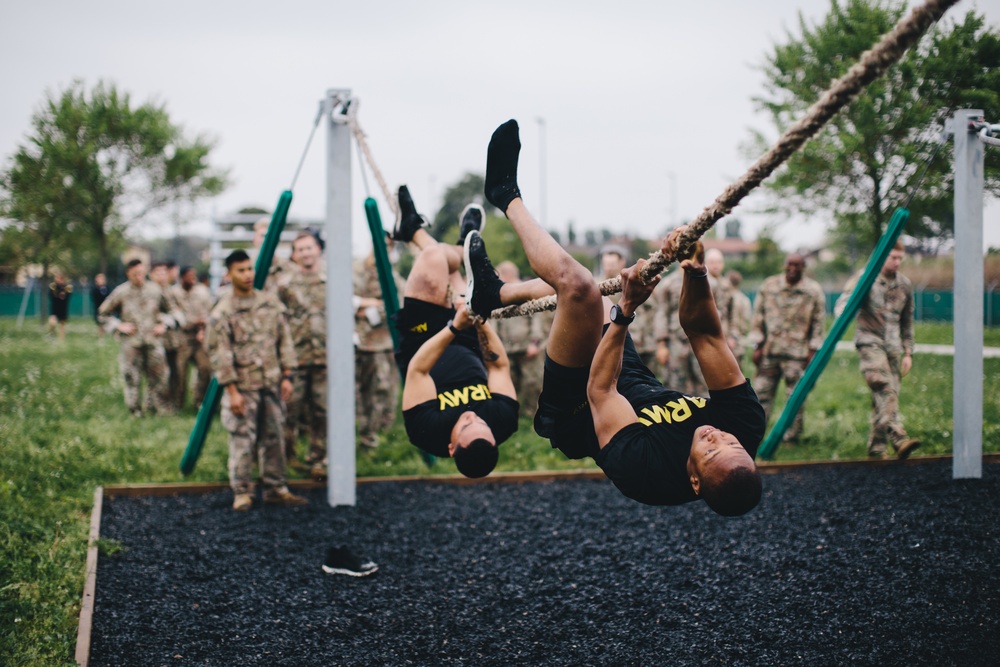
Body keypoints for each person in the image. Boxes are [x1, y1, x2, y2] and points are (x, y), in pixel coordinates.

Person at [466, 119, 764, 515]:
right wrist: (695, 270)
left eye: (710, 452)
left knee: (577, 286)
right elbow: (706, 336)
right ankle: (496, 292)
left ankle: (504, 195)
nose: (716, 437)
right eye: (730, 444)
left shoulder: (646, 474)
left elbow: (600, 392)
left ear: (694, 480)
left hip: (578, 409)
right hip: (630, 374)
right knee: (590, 292)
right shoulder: (743, 425)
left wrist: (626, 311)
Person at [391, 185, 518, 478]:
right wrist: (477, 318)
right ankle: (452, 246)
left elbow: (418, 371)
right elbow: (498, 364)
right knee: (466, 285)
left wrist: (452, 327)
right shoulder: (502, 421)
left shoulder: (427, 432)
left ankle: (432, 238)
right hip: (469, 339)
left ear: (451, 447)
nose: (473, 416)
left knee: (435, 257)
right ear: (493, 436)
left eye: (464, 425)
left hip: (423, 341)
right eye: (481, 425)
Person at [208, 249, 307, 511]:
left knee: (275, 436)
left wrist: (288, 375)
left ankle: (276, 488)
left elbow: (284, 340)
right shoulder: (223, 312)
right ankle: (242, 491)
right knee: (242, 441)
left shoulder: (269, 303)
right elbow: (220, 355)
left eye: (250, 269)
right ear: (229, 274)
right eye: (241, 270)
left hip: (271, 383)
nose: (248, 274)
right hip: (243, 388)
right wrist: (232, 392)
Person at [835, 239, 920, 459]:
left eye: (900, 258)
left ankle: (877, 449)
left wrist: (908, 352)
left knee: (884, 399)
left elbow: (907, 321)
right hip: (869, 342)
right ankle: (899, 438)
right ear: (882, 256)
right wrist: (844, 314)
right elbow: (844, 304)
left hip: (893, 349)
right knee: (885, 388)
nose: (897, 262)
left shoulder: (904, 285)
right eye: (893, 257)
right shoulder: (865, 278)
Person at [748, 253, 825, 445]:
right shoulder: (769, 286)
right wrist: (757, 344)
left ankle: (791, 438)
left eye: (797, 265)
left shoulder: (813, 291)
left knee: (795, 398)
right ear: (784, 265)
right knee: (760, 396)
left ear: (803, 267)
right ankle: (756, 435)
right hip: (770, 352)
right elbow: (758, 317)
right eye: (790, 264)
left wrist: (813, 350)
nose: (793, 268)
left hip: (796, 355)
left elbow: (818, 322)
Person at [277, 230, 328, 477]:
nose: (306, 253)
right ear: (295, 255)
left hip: (325, 358)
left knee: (322, 411)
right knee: (289, 411)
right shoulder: (285, 285)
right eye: (300, 249)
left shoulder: (332, 280)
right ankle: (287, 458)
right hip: (295, 359)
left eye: (310, 247)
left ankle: (318, 459)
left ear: (318, 249)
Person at [97, 259, 176, 417]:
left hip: (153, 341)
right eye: (135, 274)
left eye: (141, 273)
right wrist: (118, 326)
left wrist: (164, 324)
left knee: (159, 376)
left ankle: (154, 407)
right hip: (131, 343)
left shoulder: (155, 290)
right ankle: (135, 410)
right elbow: (102, 314)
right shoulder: (122, 292)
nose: (139, 277)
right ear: (128, 274)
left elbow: (173, 311)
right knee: (131, 376)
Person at [354, 249, 403, 450]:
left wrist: (374, 307)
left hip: (388, 342)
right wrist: (366, 306)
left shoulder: (394, 278)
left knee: (385, 390)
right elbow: (349, 301)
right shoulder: (358, 275)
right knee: (367, 391)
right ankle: (364, 436)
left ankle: (379, 434)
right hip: (364, 343)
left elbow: (399, 304)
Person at [493, 260, 546, 419]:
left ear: (508, 274)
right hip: (508, 348)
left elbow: (536, 320)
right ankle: (513, 413)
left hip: (527, 346)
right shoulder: (501, 294)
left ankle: (532, 414)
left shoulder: (525, 292)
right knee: (511, 381)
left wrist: (534, 343)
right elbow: (495, 320)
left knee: (532, 382)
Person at [601, 245, 660, 374]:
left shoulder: (632, 283)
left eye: (612, 264)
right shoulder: (598, 288)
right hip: (614, 342)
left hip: (642, 342)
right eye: (606, 264)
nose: (608, 267)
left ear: (621, 263)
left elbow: (651, 309)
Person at [654, 268, 708, 397]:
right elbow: (662, 313)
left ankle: (707, 415)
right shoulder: (668, 283)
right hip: (676, 341)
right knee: (675, 383)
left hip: (701, 340)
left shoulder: (707, 281)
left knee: (705, 381)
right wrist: (662, 345)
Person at [172, 266, 213, 409]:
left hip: (199, 338)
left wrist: (203, 328)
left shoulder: (202, 292)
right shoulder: (174, 293)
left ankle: (200, 401)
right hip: (181, 339)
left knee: (205, 368)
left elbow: (209, 312)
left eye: (194, 276)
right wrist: (192, 322)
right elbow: (173, 314)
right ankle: (178, 404)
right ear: (181, 278)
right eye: (189, 276)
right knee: (180, 373)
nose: (193, 279)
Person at [150, 261, 184, 411]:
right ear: (151, 274)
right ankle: (155, 405)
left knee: (174, 373)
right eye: (158, 272)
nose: (162, 275)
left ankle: (174, 403)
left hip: (172, 339)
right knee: (157, 375)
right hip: (155, 340)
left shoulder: (171, 291)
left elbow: (179, 314)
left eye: (164, 272)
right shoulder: (149, 291)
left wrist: (167, 320)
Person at [726, 270, 753, 371]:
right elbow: (747, 321)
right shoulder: (745, 299)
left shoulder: (729, 297)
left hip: (729, 340)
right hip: (741, 340)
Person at [47, 273, 72, 343]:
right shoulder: (53, 286)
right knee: (52, 322)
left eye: (59, 278)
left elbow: (68, 296)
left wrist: (64, 294)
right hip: (55, 308)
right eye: (56, 278)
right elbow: (51, 296)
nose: (58, 280)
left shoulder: (67, 287)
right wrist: (57, 294)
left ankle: (61, 341)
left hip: (63, 308)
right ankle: (51, 334)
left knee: (62, 326)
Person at [91, 273, 111, 341]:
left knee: (107, 323)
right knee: (100, 324)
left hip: (107, 309)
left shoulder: (107, 288)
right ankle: (101, 338)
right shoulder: (95, 290)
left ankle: (106, 336)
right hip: (98, 309)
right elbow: (94, 299)